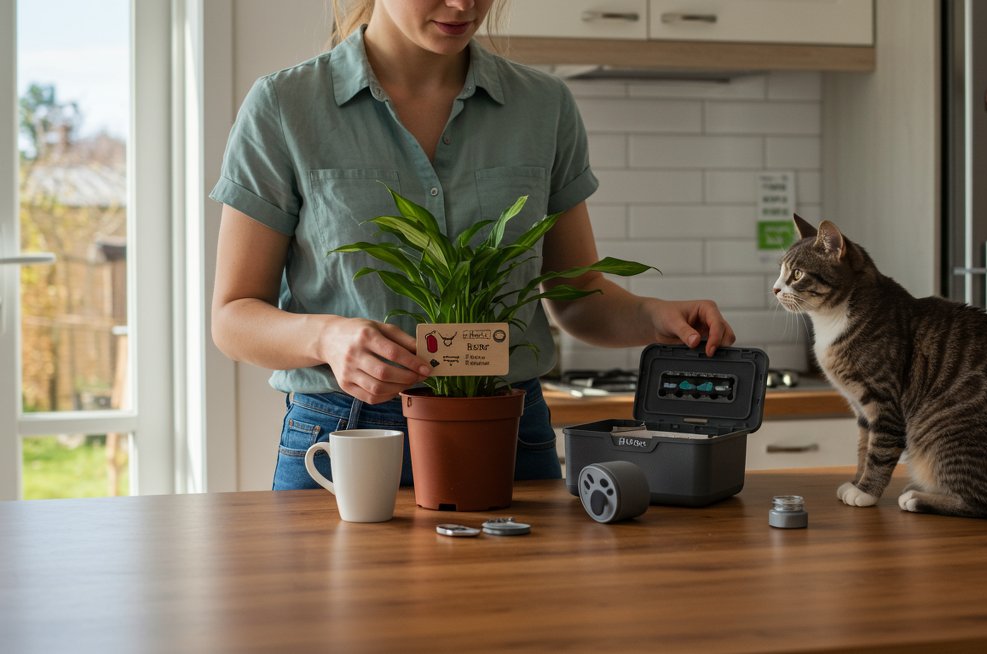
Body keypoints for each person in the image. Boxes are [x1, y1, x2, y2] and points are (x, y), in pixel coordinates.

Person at [209, 0, 737, 490]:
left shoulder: (543, 106)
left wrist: (654, 317)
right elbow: (232, 318)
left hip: (508, 427)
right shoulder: (284, 105)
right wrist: (326, 337)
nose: (464, 6)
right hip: (346, 436)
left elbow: (576, 298)